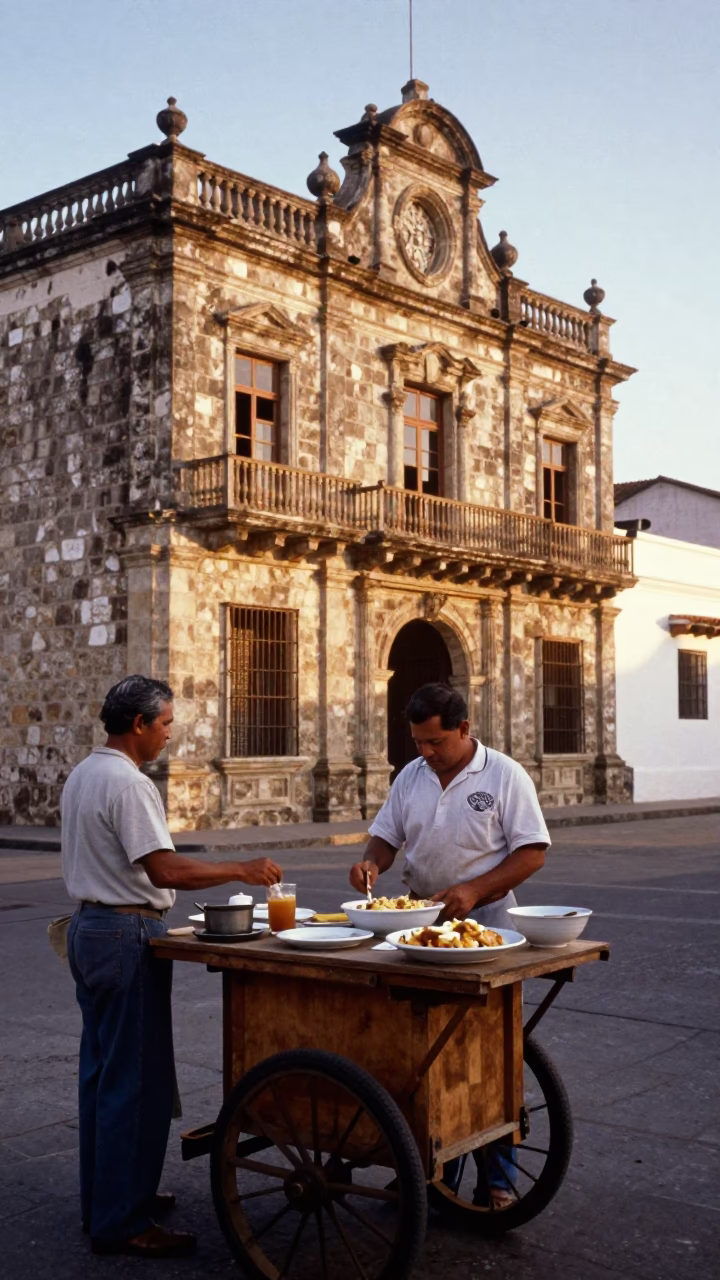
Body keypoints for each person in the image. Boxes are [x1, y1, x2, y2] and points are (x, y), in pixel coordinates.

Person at [62, 675, 283, 1258]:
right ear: (138, 725)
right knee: (135, 1082)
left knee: (103, 1074)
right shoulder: (128, 784)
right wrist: (240, 868)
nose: (168, 735)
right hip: (124, 931)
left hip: (89, 928)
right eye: (164, 725)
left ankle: (107, 1199)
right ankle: (123, 1220)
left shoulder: (85, 773)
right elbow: (163, 871)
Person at [349, 681, 550, 1209]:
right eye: (418, 742)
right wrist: (372, 862)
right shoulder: (411, 777)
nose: (426, 753)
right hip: (421, 928)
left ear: (464, 729)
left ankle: (499, 1179)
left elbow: (532, 853)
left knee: (487, 1052)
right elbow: (386, 837)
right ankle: (431, 1171)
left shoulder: (504, 774)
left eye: (436, 742)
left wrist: (475, 890)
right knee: (424, 1049)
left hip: (486, 931)